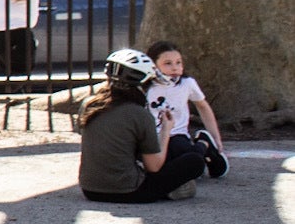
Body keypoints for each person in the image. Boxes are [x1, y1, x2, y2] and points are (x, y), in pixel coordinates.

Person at [78, 48, 208, 203]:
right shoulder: (140, 114)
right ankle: (202, 147)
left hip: (90, 190)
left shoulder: (89, 105)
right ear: (142, 84)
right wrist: (166, 129)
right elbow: (154, 166)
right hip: (129, 191)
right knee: (194, 161)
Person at [144, 40, 230, 180]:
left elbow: (203, 106)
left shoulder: (187, 83)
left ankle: (204, 143)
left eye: (178, 62)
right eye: (168, 63)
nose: (175, 68)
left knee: (185, 158)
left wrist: (216, 137)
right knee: (159, 166)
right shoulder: (146, 86)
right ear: (153, 65)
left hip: (177, 134)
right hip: (154, 136)